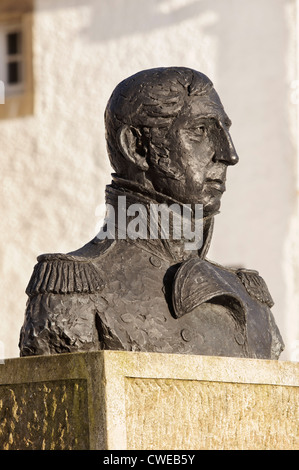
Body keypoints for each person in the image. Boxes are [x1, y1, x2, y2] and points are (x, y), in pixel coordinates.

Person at [19, 67, 284, 359]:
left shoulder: (252, 300)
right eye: (200, 130)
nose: (229, 154)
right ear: (136, 148)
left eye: (224, 130)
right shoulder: (76, 291)